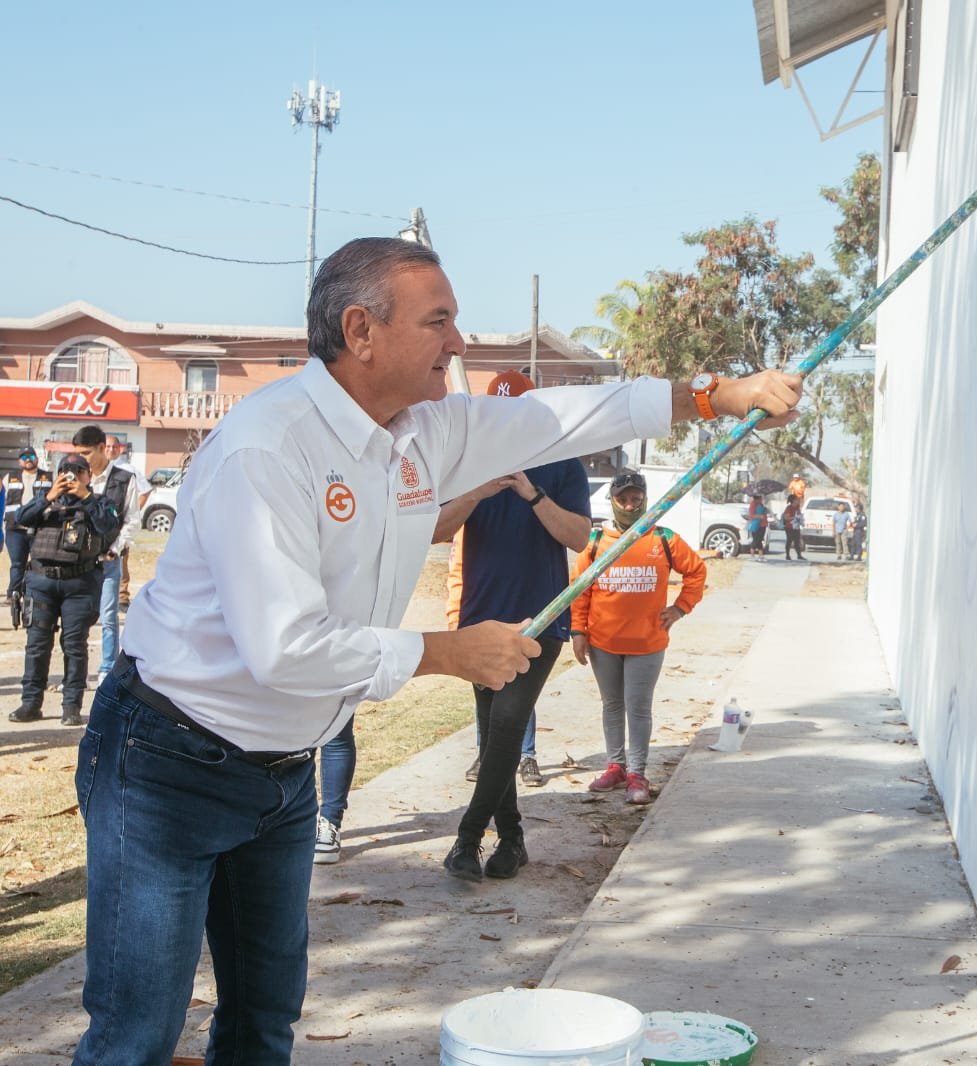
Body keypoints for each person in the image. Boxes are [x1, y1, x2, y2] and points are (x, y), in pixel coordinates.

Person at [73, 236, 801, 1063]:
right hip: (168, 761)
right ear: (362, 331)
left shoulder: (422, 432)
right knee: (137, 1034)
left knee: (263, 1018)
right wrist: (448, 651)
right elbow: (284, 649)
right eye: (440, 320)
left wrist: (713, 395)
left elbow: (559, 417)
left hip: (281, 773)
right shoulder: (267, 448)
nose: (458, 343)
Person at [432, 369, 593, 882]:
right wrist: (476, 492)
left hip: (540, 619)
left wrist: (532, 494)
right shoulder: (470, 464)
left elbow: (579, 538)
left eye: (516, 414)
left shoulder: (563, 463)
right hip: (481, 621)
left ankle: (467, 839)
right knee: (493, 740)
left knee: (506, 726)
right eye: (497, 414)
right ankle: (514, 839)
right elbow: (437, 531)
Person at [573, 470, 706, 805]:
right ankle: (615, 766)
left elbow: (697, 571)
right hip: (603, 642)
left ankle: (637, 773)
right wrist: (578, 631)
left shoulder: (662, 538)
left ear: (645, 499)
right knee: (612, 705)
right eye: (623, 499)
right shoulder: (595, 542)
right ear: (612, 500)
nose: (630, 505)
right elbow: (580, 590)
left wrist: (680, 608)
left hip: (647, 643)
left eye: (636, 499)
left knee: (638, 707)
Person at [8, 453, 122, 727]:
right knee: (37, 645)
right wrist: (48, 496)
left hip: (79, 583)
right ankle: (31, 702)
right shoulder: (46, 500)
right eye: (66, 470)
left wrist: (86, 498)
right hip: (41, 582)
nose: (71, 476)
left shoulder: (99, 503)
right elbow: (21, 518)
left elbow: (109, 525)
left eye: (77, 471)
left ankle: (71, 706)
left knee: (74, 646)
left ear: (88, 475)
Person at [70, 425, 140, 687]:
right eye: (78, 453)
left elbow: (131, 520)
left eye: (87, 453)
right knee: (77, 617)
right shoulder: (75, 476)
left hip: (107, 559)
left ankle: (107, 667)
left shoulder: (124, 479)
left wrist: (115, 549)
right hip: (78, 561)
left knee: (108, 615)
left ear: (102, 449)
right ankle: (75, 672)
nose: (82, 458)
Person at [4, 446, 52, 627]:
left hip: (39, 527)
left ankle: (36, 593)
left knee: (38, 563)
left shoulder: (48, 477)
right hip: (15, 528)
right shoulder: (10, 477)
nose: (28, 459)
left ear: (37, 458)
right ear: (19, 461)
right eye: (24, 457)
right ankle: (13, 593)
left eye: (31, 456)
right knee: (17, 563)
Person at [109, 437, 153, 609]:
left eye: (114, 446)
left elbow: (145, 490)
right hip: (103, 521)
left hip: (121, 522)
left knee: (121, 559)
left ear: (120, 449)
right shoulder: (98, 469)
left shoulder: (128, 470)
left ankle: (122, 597)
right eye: (107, 446)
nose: (110, 450)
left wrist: (132, 511)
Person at [782, 493, 805, 561]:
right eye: (797, 499)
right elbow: (786, 518)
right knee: (789, 540)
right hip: (789, 526)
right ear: (793, 500)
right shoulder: (789, 508)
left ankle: (799, 555)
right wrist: (794, 518)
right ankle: (787, 555)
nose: (798, 500)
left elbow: (799, 515)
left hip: (796, 526)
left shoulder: (797, 507)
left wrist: (800, 519)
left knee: (797, 541)